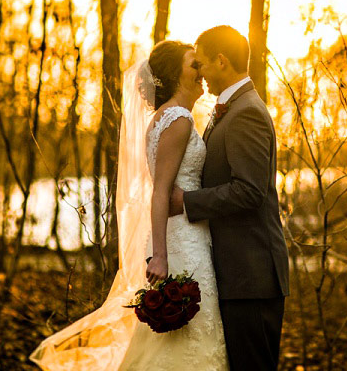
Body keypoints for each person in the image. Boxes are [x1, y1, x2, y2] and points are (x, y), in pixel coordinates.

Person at [30, 40, 228, 370]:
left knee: (178, 339)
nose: (201, 72)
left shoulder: (165, 119)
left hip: (182, 235)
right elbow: (159, 191)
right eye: (193, 64)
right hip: (182, 242)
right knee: (189, 338)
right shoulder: (178, 120)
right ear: (173, 74)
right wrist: (162, 256)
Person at [169, 25, 290, 371]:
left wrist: (187, 202)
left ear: (221, 62)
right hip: (239, 276)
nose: (201, 73)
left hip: (252, 277)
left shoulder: (246, 112)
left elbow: (249, 191)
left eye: (203, 63)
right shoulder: (232, 107)